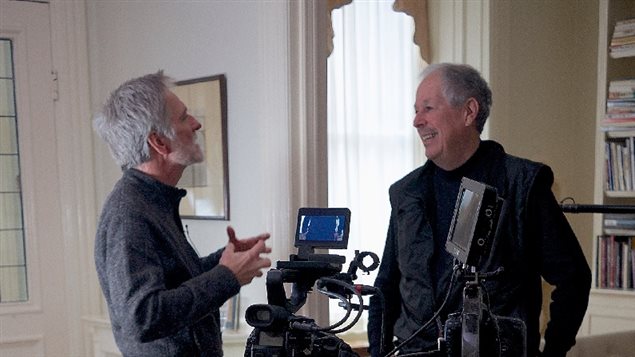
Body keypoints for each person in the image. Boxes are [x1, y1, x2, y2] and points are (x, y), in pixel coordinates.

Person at [367, 63, 591, 357]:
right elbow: (386, 286)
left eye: (428, 108)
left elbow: (572, 278)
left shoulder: (522, 184)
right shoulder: (406, 193)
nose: (417, 121)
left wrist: (553, 352)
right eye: (416, 110)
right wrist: (377, 352)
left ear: (468, 112)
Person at [93, 71, 272, 357]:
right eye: (184, 118)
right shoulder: (129, 213)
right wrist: (227, 276)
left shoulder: (151, 201)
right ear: (159, 143)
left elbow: (173, 284)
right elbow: (143, 317)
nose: (196, 123)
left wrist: (222, 261)